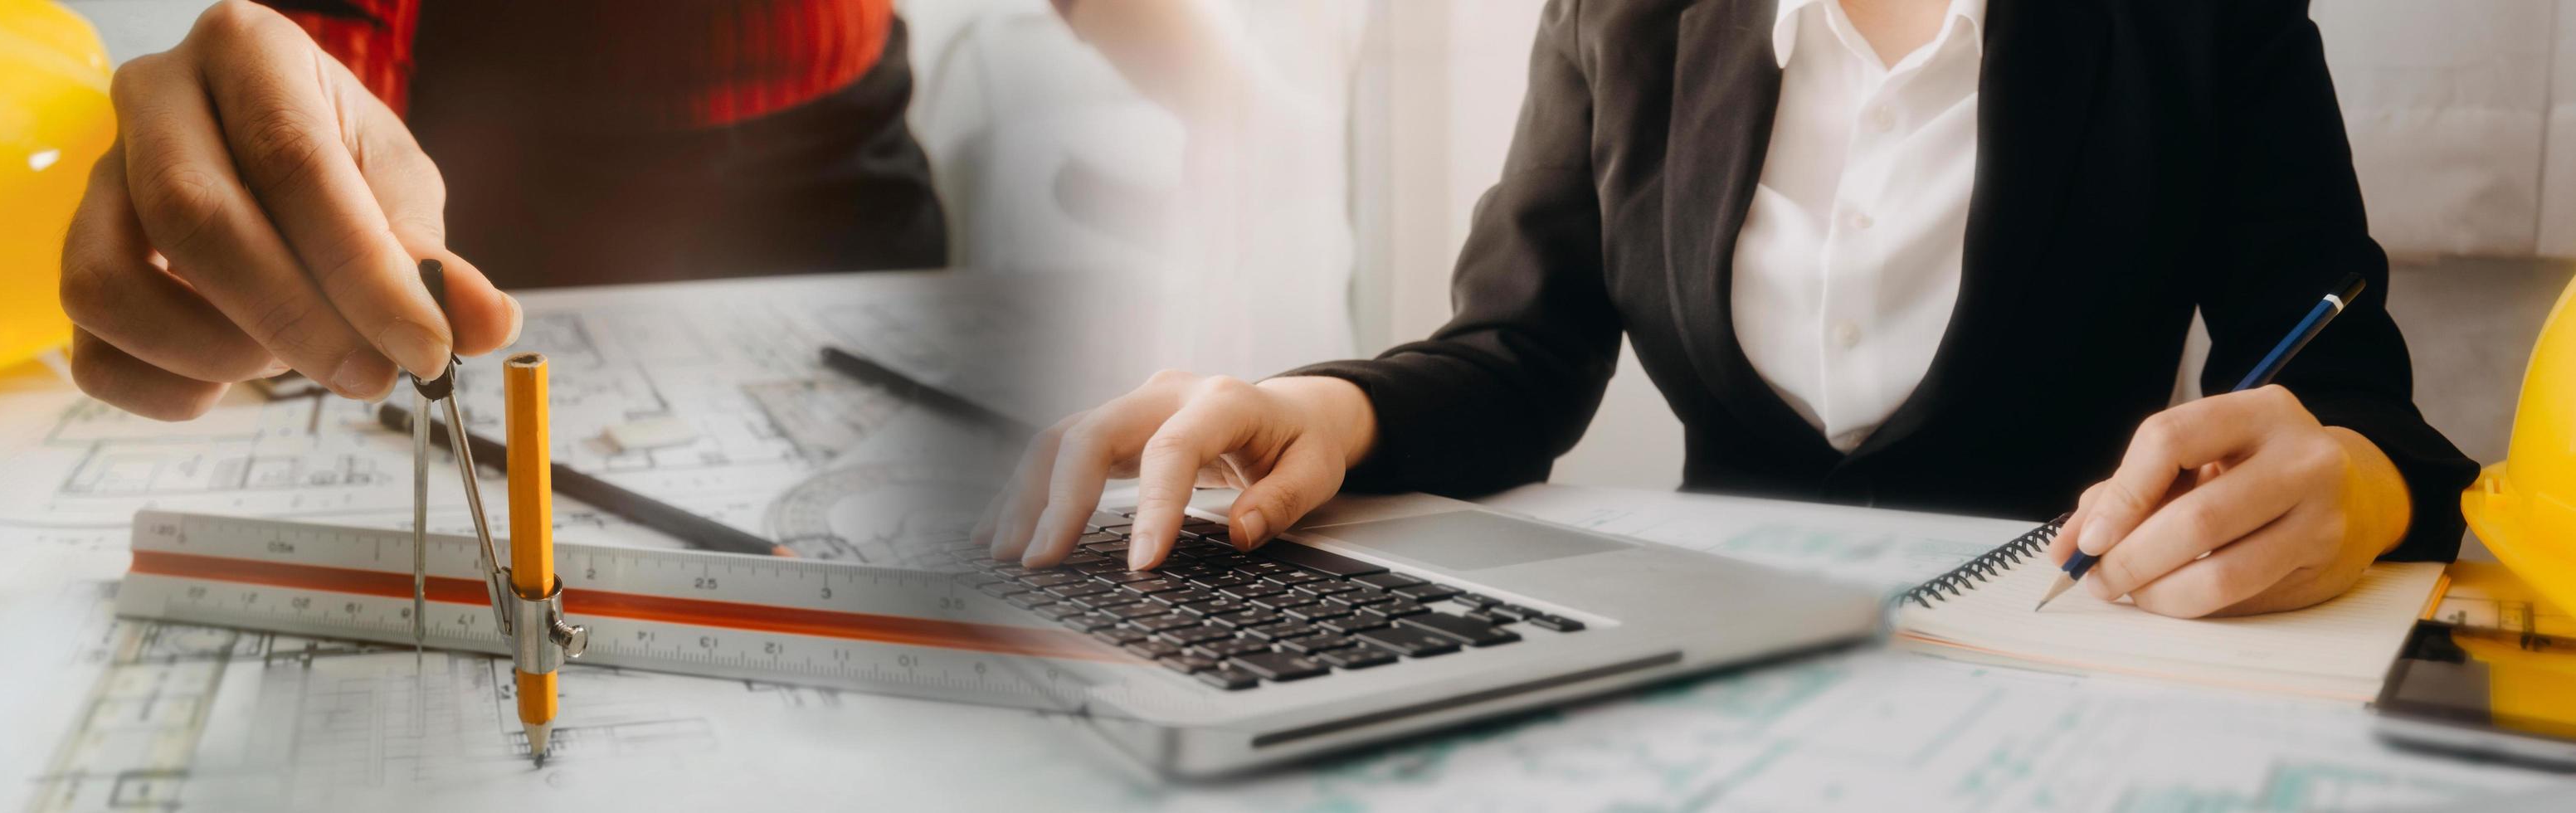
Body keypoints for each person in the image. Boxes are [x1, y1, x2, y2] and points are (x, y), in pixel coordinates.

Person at [979, 0, 2481, 621]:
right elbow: (1521, 348)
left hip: (2063, 646)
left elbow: (2348, 382)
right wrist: (1325, 407)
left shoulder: (2202, 15)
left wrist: (2354, 482)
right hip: (1700, 668)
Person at [57, 0, 1269, 421]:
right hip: (511, 213)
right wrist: (280, 139)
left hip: (842, 189)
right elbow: (329, 53)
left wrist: (1261, 124)